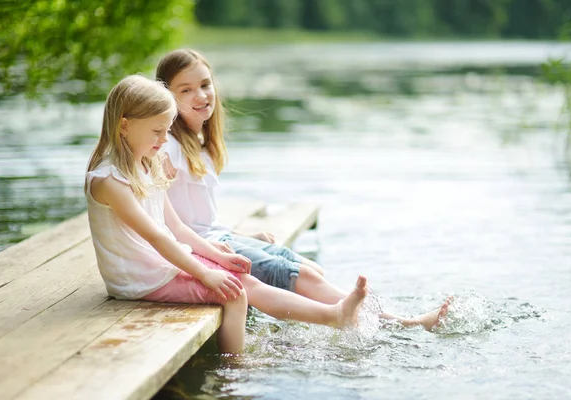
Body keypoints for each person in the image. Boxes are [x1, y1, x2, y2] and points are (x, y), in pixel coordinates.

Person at [155, 49, 450, 331]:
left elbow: (197, 216)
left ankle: (376, 318)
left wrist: (244, 236)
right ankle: (398, 323)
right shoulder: (168, 145)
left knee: (311, 269)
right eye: (186, 90)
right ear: (166, 98)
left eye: (205, 85)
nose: (201, 95)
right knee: (303, 275)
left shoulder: (200, 144)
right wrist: (155, 156)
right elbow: (166, 212)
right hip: (199, 249)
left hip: (217, 237)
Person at [85, 75, 371, 354]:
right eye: (157, 131)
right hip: (139, 277)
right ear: (124, 125)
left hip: (159, 264)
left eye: (167, 130)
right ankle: (234, 371)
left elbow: (177, 227)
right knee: (235, 295)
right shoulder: (110, 181)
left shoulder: (148, 162)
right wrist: (205, 273)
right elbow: (158, 237)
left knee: (243, 279)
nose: (164, 140)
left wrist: (219, 258)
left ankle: (334, 315)